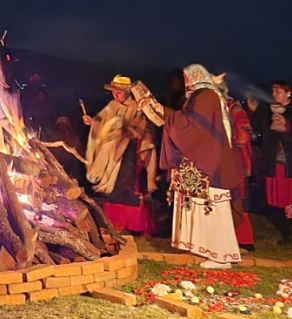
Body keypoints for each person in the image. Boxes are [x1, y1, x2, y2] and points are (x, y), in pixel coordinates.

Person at [137, 64, 241, 269]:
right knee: (202, 206)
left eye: (187, 78)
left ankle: (221, 255)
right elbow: (187, 124)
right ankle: (206, 249)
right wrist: (157, 109)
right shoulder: (203, 96)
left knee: (212, 208)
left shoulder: (206, 96)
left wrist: (162, 110)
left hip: (210, 164)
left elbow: (191, 127)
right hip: (206, 160)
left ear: (195, 77)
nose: (185, 82)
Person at [83, 75, 155, 233]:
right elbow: (100, 121)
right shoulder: (111, 106)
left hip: (129, 151)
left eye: (119, 92)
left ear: (127, 92)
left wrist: (125, 131)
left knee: (127, 185)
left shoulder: (136, 107)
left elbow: (141, 129)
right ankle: (113, 222)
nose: (116, 95)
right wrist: (93, 122)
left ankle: (135, 225)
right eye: (114, 92)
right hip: (111, 152)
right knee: (112, 188)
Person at [247, 80, 292, 241]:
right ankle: (284, 231)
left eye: (278, 91)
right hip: (273, 163)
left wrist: (286, 125)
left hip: (288, 165)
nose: (274, 95)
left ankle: (288, 232)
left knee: (288, 200)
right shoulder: (266, 111)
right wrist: (252, 112)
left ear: (288, 93)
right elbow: (257, 130)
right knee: (273, 200)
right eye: (273, 91)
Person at [218, 77, 255, 251]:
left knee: (237, 199)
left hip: (234, 161)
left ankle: (244, 241)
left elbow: (243, 136)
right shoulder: (217, 109)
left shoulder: (234, 110)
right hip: (220, 161)